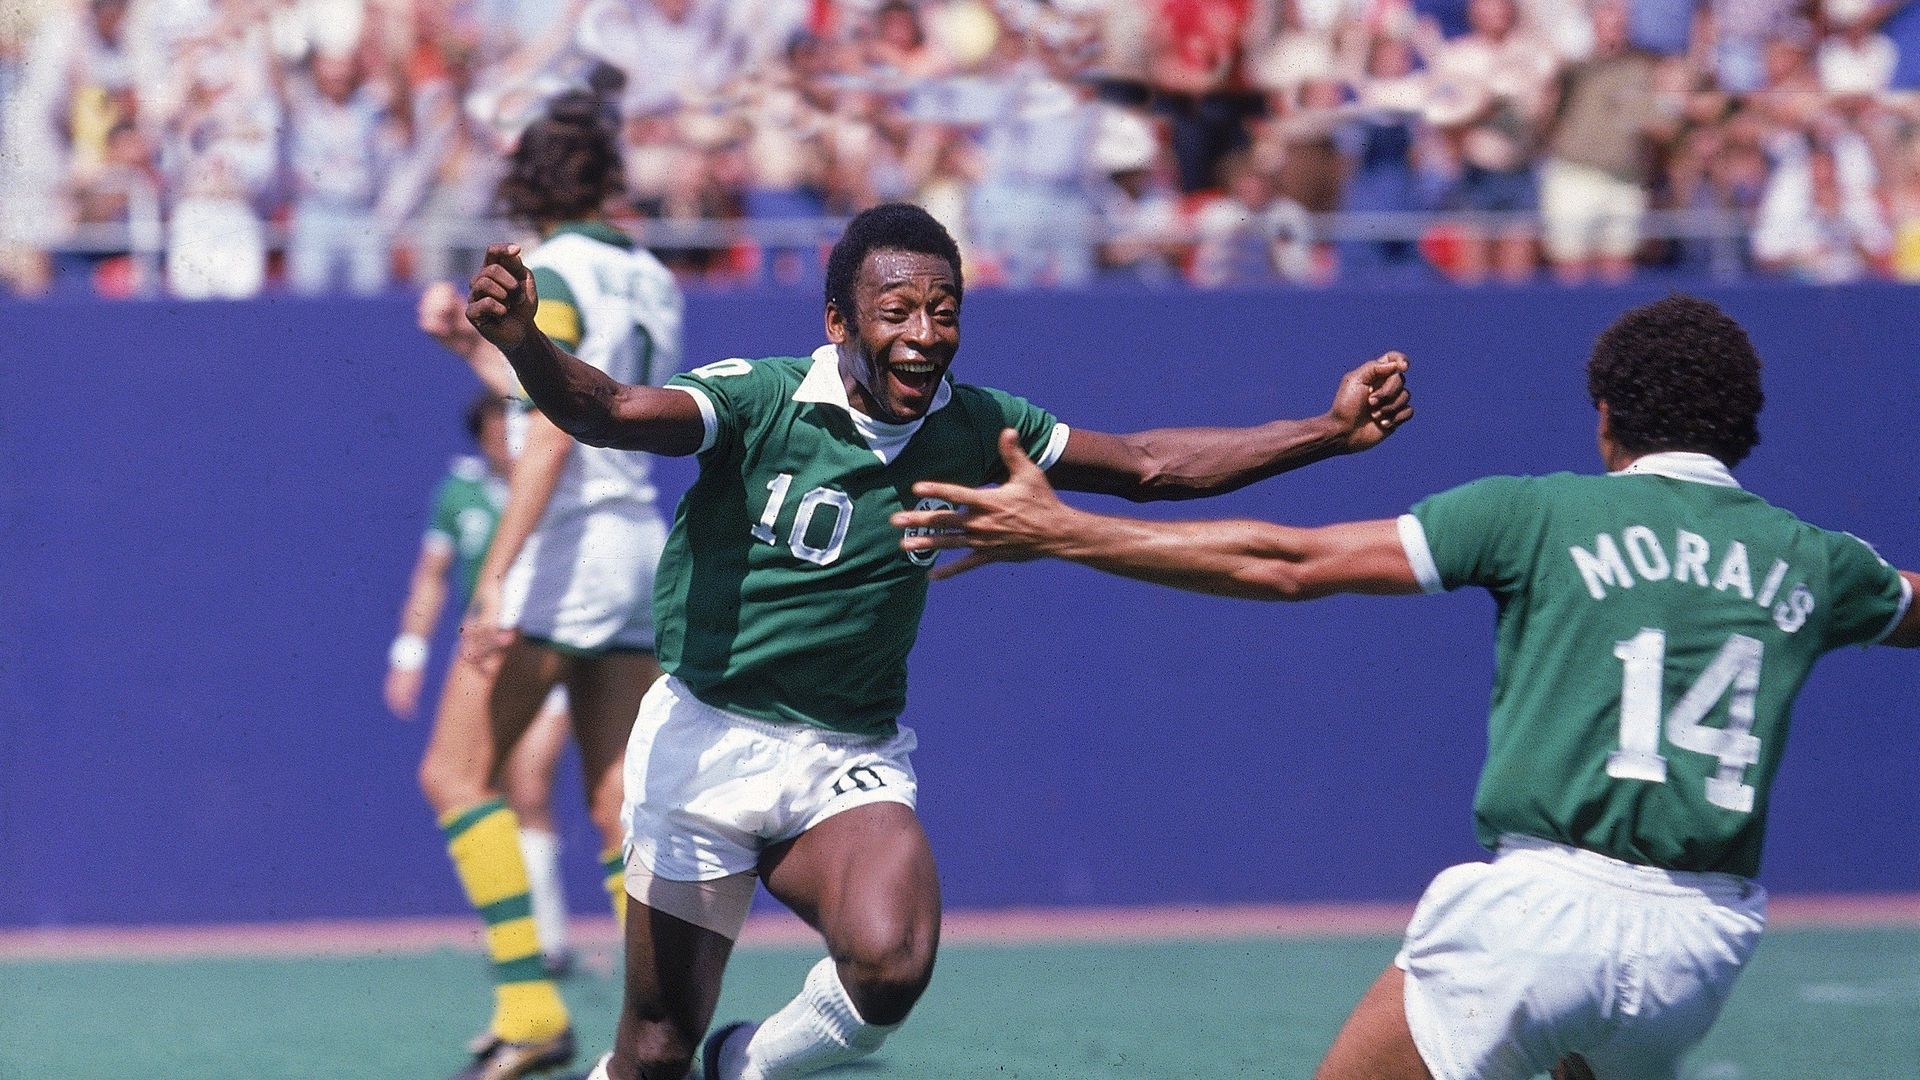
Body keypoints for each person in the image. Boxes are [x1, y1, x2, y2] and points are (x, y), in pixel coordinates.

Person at [462, 200, 1413, 1080]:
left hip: (845, 750)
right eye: (898, 311)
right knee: (654, 1050)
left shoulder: (976, 424)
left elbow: (1150, 467)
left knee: (892, 962)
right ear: (840, 323)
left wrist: (1327, 432)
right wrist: (524, 344)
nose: (924, 335)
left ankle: (745, 1064)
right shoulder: (761, 401)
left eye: (944, 310)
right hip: (706, 741)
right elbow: (608, 411)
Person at [892, 294, 1920, 1080]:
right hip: (1704, 943)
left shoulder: (1538, 514)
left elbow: (1288, 563)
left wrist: (1069, 531)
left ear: (1606, 416)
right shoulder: (1820, 563)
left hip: (1540, 911)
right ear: (1744, 426)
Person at [417, 91, 685, 1080]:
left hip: (563, 551)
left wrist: (494, 579)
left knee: (455, 773)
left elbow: (553, 437)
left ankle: (530, 1010)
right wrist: (468, 350)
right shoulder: (651, 277)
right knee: (617, 807)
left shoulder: (552, 271)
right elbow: (574, 388)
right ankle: (663, 1031)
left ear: (531, 184)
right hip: (636, 546)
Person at [384, 392, 580, 979]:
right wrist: (409, 654)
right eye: (498, 426)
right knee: (475, 781)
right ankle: (522, 937)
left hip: (556, 641)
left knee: (530, 778)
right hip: (491, 651)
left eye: (518, 421)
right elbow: (431, 578)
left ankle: (549, 941)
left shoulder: (558, 483)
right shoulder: (459, 494)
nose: (510, 436)